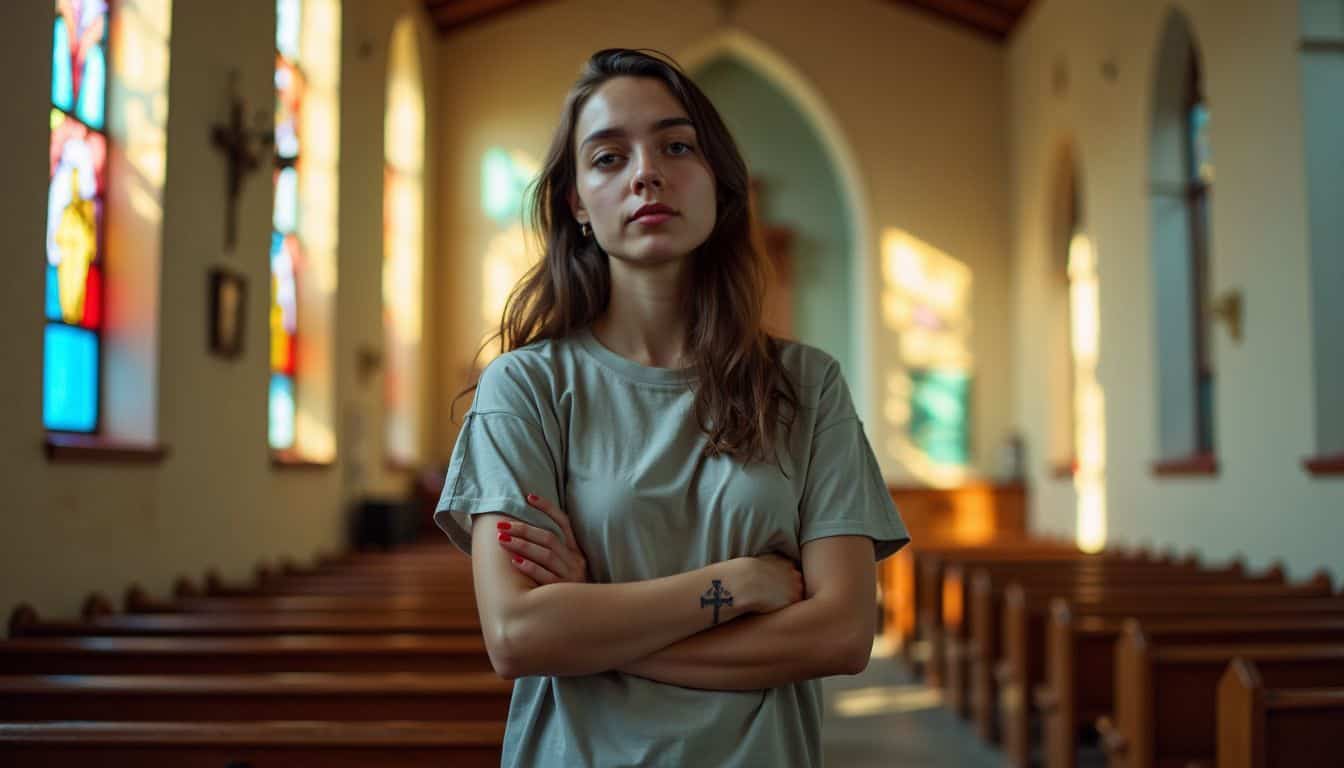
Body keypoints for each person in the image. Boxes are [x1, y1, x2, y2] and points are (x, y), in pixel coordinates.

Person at [434, 47, 909, 768]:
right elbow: (519, 638)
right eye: (607, 158)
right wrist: (739, 586)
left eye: (676, 145)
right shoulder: (522, 388)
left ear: (718, 183)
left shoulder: (808, 385)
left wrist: (594, 619)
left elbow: (841, 637)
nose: (646, 172)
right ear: (577, 207)